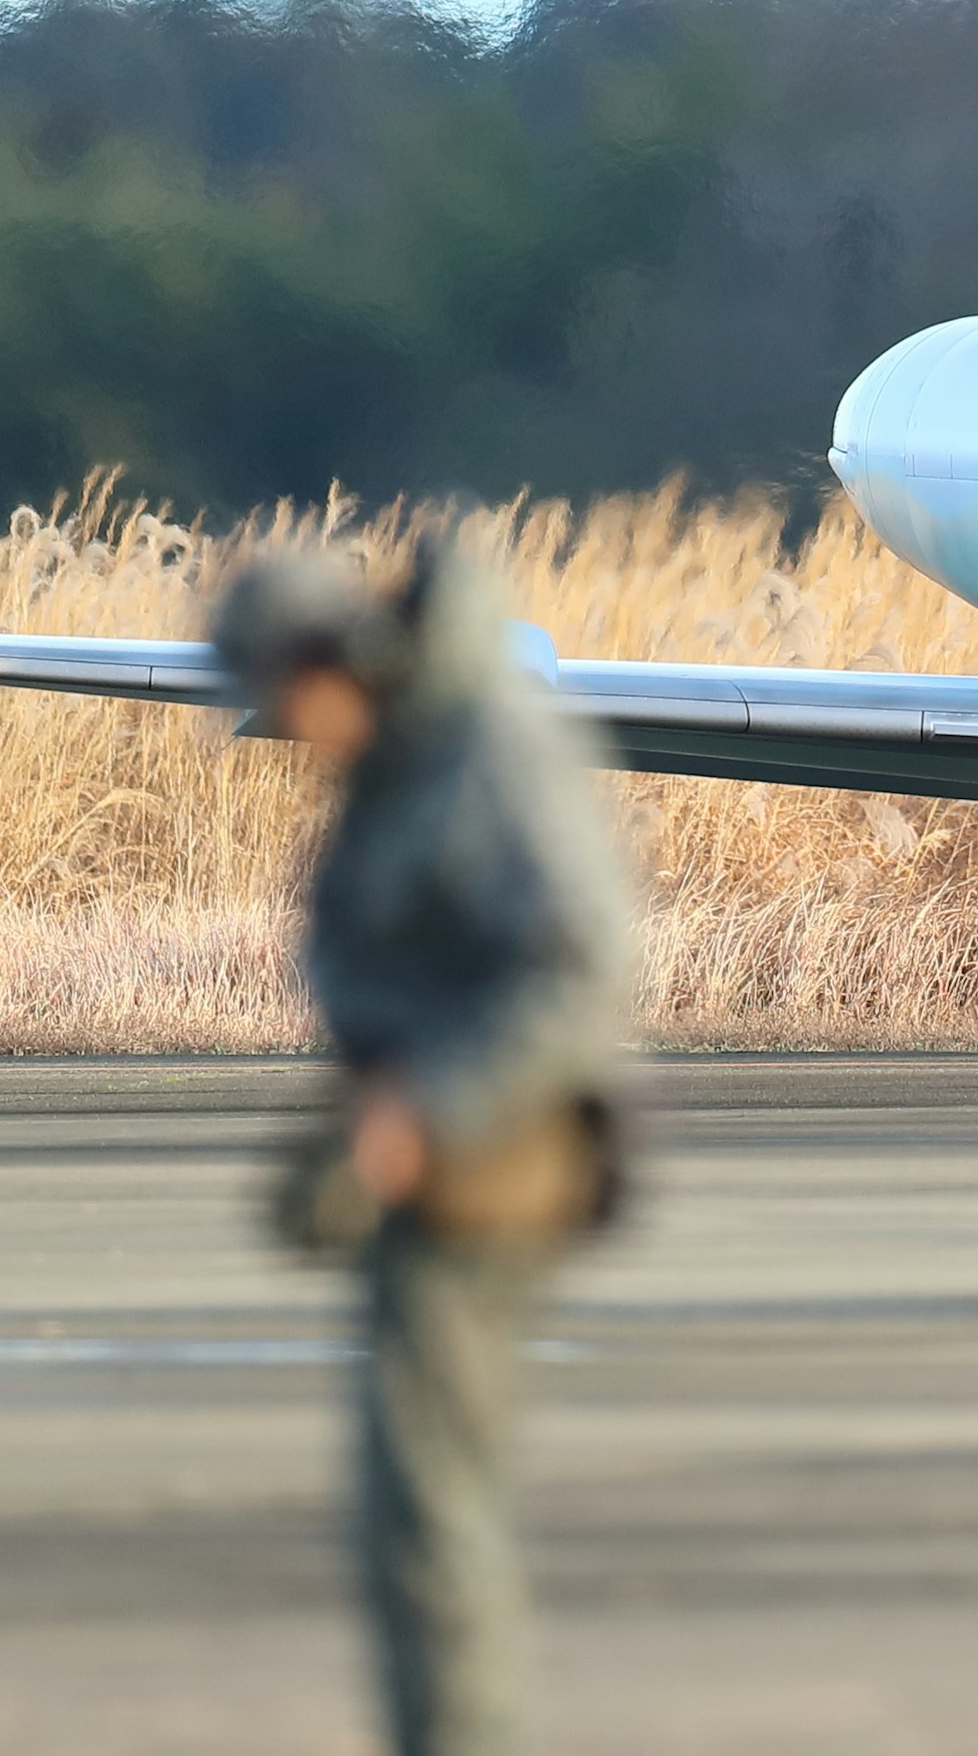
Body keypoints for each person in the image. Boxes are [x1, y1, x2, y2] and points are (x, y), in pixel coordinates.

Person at [213, 542, 635, 1756]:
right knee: (414, 1513)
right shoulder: (405, 754)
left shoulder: (476, 750)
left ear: (323, 661)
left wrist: (423, 1114)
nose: (285, 733)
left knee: (432, 1518)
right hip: (440, 1176)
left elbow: (573, 973)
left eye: (281, 699)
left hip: (489, 1180)